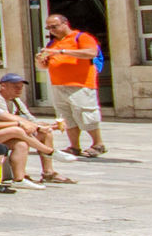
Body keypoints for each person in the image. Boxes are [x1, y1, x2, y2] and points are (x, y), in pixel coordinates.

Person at [41, 13, 106, 159]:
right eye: (49, 28)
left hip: (80, 84)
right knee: (66, 117)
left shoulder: (81, 37)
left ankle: (98, 143)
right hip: (58, 84)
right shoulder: (52, 43)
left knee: (85, 114)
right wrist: (41, 60)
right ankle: (74, 146)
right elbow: (44, 65)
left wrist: (62, 51)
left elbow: (91, 53)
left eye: (54, 26)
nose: (51, 30)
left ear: (65, 23)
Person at [0, 75, 76, 183]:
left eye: (21, 87)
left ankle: (48, 172)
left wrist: (47, 126)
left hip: (14, 131)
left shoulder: (16, 100)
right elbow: (6, 119)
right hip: (0, 133)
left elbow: (30, 118)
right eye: (15, 87)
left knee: (46, 133)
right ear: (3, 86)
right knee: (21, 139)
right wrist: (36, 126)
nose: (19, 89)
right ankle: (49, 153)